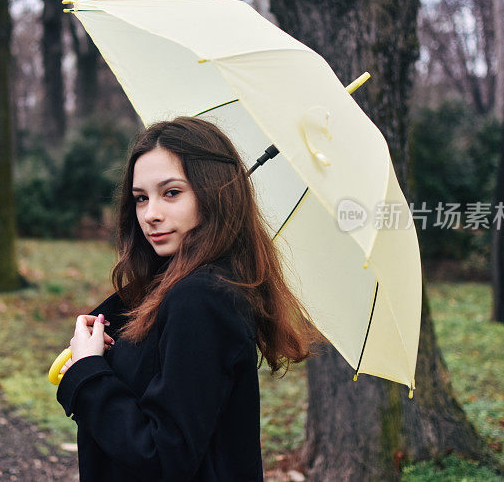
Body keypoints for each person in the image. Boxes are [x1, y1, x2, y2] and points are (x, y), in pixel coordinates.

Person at [56, 117, 319, 481]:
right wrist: (105, 332)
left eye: (172, 193)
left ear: (214, 193)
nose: (151, 214)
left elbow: (163, 455)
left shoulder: (202, 297)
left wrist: (89, 373)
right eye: (141, 198)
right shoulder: (181, 286)